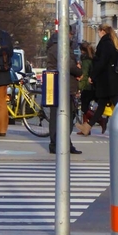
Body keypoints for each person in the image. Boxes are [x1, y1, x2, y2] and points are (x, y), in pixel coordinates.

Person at [76, 24, 118, 135]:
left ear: (102, 31)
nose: (98, 34)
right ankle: (87, 127)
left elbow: (101, 62)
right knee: (102, 105)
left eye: (98, 32)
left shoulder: (105, 43)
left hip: (109, 81)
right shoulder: (113, 42)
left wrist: (92, 76)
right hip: (113, 80)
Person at [46, 27, 82, 155]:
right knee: (65, 115)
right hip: (63, 84)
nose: (72, 36)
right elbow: (70, 65)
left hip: (59, 83)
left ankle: (61, 142)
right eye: (71, 33)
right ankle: (59, 142)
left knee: (61, 115)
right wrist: (79, 71)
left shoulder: (56, 46)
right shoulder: (61, 47)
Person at [77, 41, 107, 135]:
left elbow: (85, 74)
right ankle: (86, 128)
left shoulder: (86, 60)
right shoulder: (94, 57)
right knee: (92, 105)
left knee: (84, 107)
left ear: (82, 51)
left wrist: (80, 87)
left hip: (88, 86)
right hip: (95, 85)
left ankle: (100, 120)